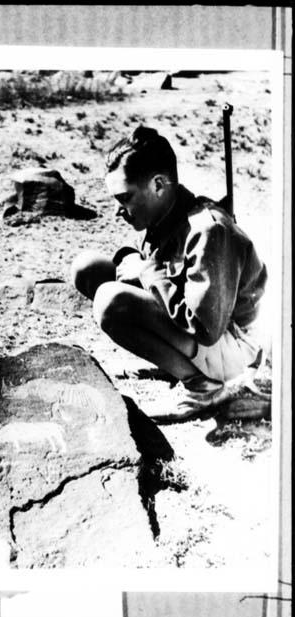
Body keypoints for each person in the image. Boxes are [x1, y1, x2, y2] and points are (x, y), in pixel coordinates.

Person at [70, 125, 267, 420]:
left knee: (110, 301)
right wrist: (140, 266)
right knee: (88, 269)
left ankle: (203, 387)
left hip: (236, 348)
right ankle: (173, 364)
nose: (117, 210)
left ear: (159, 185)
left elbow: (205, 328)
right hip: (204, 333)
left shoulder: (208, 229)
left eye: (124, 198)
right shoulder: (165, 214)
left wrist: (147, 272)